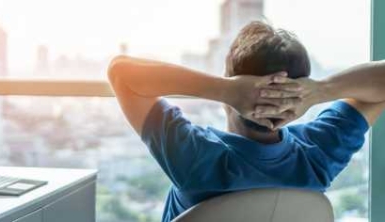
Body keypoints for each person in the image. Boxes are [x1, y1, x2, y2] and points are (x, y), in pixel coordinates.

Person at [107, 21, 385, 222]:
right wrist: (319, 91)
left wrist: (225, 90)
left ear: (232, 79)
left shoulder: (194, 157)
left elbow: (120, 72)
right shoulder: (317, 155)